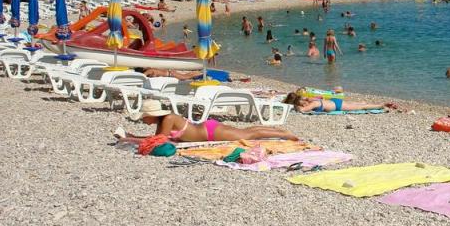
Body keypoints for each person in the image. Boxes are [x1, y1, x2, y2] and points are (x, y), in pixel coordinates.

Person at [122, 100, 297, 142]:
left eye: (144, 117)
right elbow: (157, 139)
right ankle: (280, 132)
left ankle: (284, 134)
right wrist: (133, 136)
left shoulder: (168, 118)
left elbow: (159, 141)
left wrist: (129, 139)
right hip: (208, 129)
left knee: (249, 134)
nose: (144, 120)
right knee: (248, 131)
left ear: (152, 115)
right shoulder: (163, 121)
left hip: (211, 132)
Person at [283, 90, 385, 114]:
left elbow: (302, 110)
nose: (304, 104)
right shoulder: (309, 100)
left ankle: (381, 105)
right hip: (333, 102)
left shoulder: (312, 103)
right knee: (358, 105)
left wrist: (295, 107)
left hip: (337, 105)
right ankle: (366, 103)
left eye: (302, 103)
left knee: (362, 107)